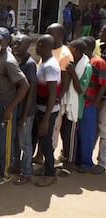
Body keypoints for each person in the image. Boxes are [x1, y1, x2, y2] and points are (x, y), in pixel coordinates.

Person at [0, 27, 29, 185]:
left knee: (5, 141)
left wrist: (11, 108)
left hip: (6, 105)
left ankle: (5, 173)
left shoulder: (8, 61)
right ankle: (0, 166)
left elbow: (24, 85)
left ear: (6, 42)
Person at [59, 39, 92, 177]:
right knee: (64, 133)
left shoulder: (86, 67)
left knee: (71, 135)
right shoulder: (71, 62)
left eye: (70, 49)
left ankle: (70, 162)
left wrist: (72, 73)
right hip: (66, 104)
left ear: (77, 51)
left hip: (75, 106)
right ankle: (66, 156)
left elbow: (80, 90)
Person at [34, 35, 61, 187]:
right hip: (41, 108)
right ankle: (47, 167)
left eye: (38, 44)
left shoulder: (50, 66)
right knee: (43, 141)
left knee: (46, 142)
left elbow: (52, 94)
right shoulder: (44, 63)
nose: (36, 47)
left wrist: (45, 119)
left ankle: (50, 174)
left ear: (44, 46)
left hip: (47, 111)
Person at [11, 34, 37, 185]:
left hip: (25, 112)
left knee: (25, 143)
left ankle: (27, 172)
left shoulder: (30, 64)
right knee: (16, 141)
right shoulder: (17, 61)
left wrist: (24, 115)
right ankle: (17, 165)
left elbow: (30, 91)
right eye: (14, 43)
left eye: (19, 44)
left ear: (27, 46)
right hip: (17, 110)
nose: (15, 46)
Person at [78, 36, 106, 174]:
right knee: (80, 132)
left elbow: (102, 85)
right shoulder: (83, 60)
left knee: (89, 133)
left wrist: (95, 103)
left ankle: (87, 162)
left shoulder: (98, 62)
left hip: (90, 103)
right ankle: (79, 159)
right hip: (80, 102)